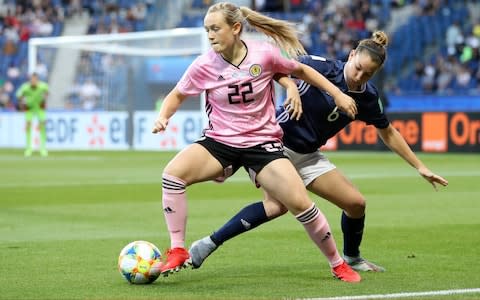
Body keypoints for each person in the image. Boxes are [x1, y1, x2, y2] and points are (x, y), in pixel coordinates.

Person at [189, 31, 449, 272]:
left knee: (356, 204)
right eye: (358, 68)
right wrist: (291, 88)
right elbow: (278, 69)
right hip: (273, 147)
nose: (359, 77)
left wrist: (420, 167)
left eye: (367, 74)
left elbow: (388, 131)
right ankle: (209, 243)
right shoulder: (321, 66)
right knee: (276, 206)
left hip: (308, 155)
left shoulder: (368, 97)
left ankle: (352, 258)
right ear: (351, 56)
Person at [152, 2, 361, 282]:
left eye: (215, 28)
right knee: (172, 176)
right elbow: (176, 95)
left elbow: (302, 71)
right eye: (207, 30)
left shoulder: (263, 55)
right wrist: (163, 117)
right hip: (220, 142)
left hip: (262, 145)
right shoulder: (203, 65)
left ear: (235, 28)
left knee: (300, 204)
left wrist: (337, 94)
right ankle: (178, 249)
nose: (210, 35)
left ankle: (338, 264)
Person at [16, 72, 49, 157]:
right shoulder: (25, 87)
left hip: (39, 108)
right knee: (28, 126)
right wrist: (21, 103)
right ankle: (28, 148)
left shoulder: (43, 86)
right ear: (30, 80)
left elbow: (47, 93)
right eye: (32, 79)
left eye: (35, 79)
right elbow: (18, 95)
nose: (33, 81)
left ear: (37, 80)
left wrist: (44, 99)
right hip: (29, 108)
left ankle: (43, 148)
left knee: (43, 125)